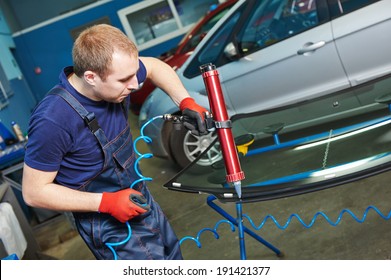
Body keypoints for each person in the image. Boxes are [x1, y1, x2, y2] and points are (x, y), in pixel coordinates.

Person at [22, 24, 208, 260]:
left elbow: (153, 66)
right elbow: (33, 192)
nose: (135, 84)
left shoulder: (119, 74)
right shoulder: (53, 119)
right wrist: (106, 202)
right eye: (124, 79)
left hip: (139, 197)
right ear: (90, 76)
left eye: (134, 74)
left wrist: (185, 101)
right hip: (106, 222)